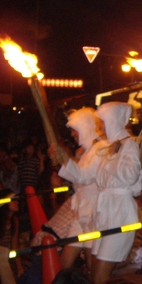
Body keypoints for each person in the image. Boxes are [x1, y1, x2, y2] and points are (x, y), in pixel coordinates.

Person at [51, 102, 142, 284]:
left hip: (120, 212)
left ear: (113, 121)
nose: (99, 128)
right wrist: (63, 159)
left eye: (102, 123)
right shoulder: (105, 148)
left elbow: (131, 177)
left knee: (100, 277)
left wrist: (114, 157)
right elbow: (84, 176)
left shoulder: (129, 145)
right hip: (104, 213)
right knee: (97, 276)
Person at [57, 107, 104, 270]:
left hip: (93, 212)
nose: (72, 134)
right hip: (81, 211)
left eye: (75, 130)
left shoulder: (100, 150)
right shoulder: (86, 152)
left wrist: (64, 157)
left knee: (93, 266)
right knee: (64, 263)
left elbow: (83, 177)